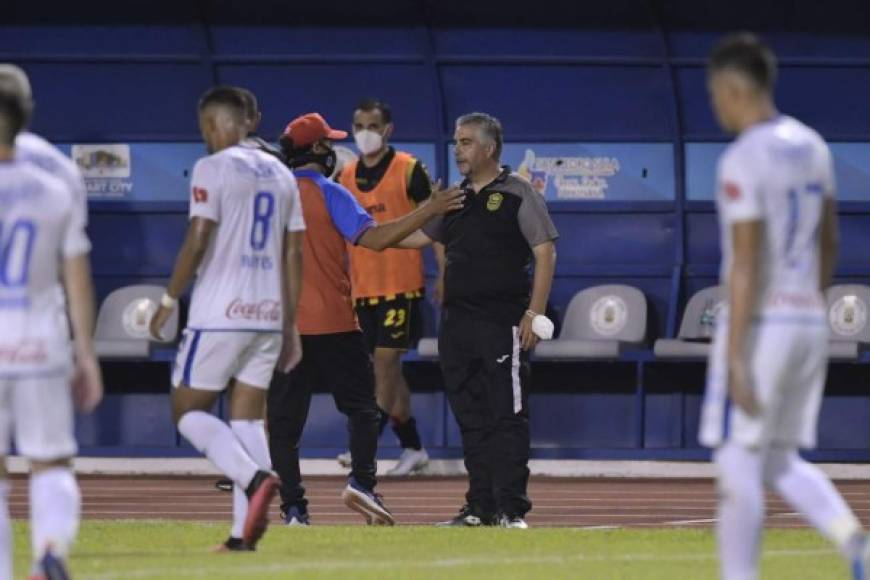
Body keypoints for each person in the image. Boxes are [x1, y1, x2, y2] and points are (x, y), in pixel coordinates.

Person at [698, 33, 870, 579]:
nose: (715, 104)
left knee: (737, 456)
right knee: (777, 457)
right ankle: (855, 543)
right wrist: (809, 307)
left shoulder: (743, 158)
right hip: (806, 318)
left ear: (730, 87)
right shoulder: (813, 145)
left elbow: (746, 260)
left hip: (763, 323)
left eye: (715, 94)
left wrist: (737, 353)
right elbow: (830, 242)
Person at [267, 112, 463, 526]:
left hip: (285, 328)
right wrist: (428, 209)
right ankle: (361, 483)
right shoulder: (331, 192)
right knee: (361, 410)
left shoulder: (271, 196)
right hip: (336, 324)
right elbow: (374, 239)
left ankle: (294, 509)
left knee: (284, 425)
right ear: (319, 150)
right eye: (329, 143)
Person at [149, 86, 305, 552]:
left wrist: (168, 297)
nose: (205, 136)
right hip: (267, 314)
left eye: (205, 128)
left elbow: (198, 238)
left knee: (187, 411)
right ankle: (243, 536)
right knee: (247, 421)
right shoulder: (282, 173)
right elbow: (294, 251)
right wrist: (290, 323)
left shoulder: (211, 168)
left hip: (219, 313)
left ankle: (253, 477)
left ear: (217, 124)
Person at [397, 112, 558, 529]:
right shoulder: (454, 199)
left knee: (507, 414)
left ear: (488, 148)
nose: (457, 150)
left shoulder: (519, 192)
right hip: (457, 324)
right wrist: (367, 230)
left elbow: (545, 252)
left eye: (466, 142)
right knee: (471, 416)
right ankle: (479, 507)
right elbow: (415, 237)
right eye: (456, 142)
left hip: (503, 321)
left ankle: (510, 509)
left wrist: (532, 313)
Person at [0, 68, 103, 579]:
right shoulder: (55, 182)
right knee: (51, 462)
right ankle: (49, 551)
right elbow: (76, 278)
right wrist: (85, 351)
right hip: (39, 340)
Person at [337, 98, 442, 476]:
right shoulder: (345, 175)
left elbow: (437, 224)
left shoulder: (409, 170)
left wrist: (444, 274)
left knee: (383, 366)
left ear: (388, 129)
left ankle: (362, 446)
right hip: (362, 290)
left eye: (373, 125)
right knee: (387, 373)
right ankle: (413, 447)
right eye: (359, 125)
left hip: (401, 288)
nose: (365, 133)